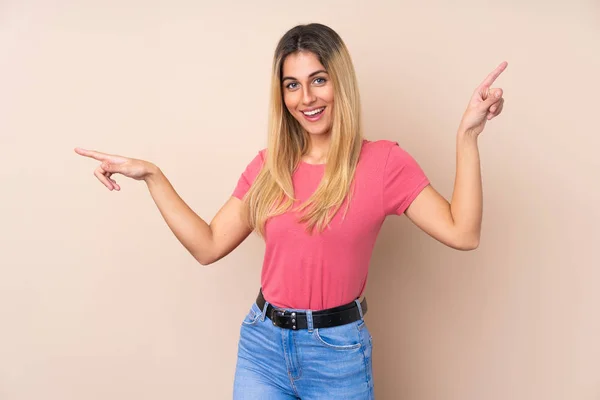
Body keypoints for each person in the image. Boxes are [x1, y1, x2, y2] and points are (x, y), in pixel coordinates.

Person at [75, 23, 506, 400]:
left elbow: (462, 232)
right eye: (292, 84)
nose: (306, 98)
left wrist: (467, 137)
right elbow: (207, 245)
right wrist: (153, 176)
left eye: (319, 80)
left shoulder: (383, 163)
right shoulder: (269, 167)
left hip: (337, 354)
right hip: (262, 346)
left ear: (341, 82)